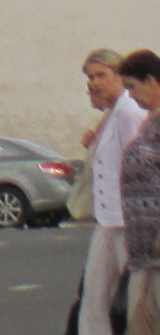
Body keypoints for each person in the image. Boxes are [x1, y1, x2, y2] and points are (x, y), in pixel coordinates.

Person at [83, 51, 146, 335]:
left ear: (119, 76)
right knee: (94, 297)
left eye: (101, 76)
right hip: (108, 220)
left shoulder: (129, 112)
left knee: (136, 299)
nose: (94, 83)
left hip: (128, 221)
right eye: (90, 77)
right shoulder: (113, 113)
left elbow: (140, 164)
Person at [118, 52, 160, 335]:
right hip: (145, 248)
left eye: (132, 87)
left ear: (152, 80)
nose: (130, 95)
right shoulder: (150, 121)